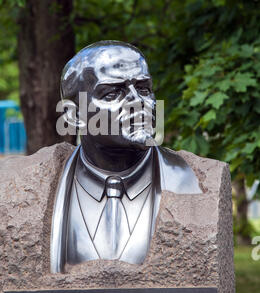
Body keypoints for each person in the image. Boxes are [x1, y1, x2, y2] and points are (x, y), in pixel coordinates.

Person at [51, 41, 201, 273]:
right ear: (74, 115)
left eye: (143, 89)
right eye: (112, 93)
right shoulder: (44, 189)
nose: (138, 102)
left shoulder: (185, 181)